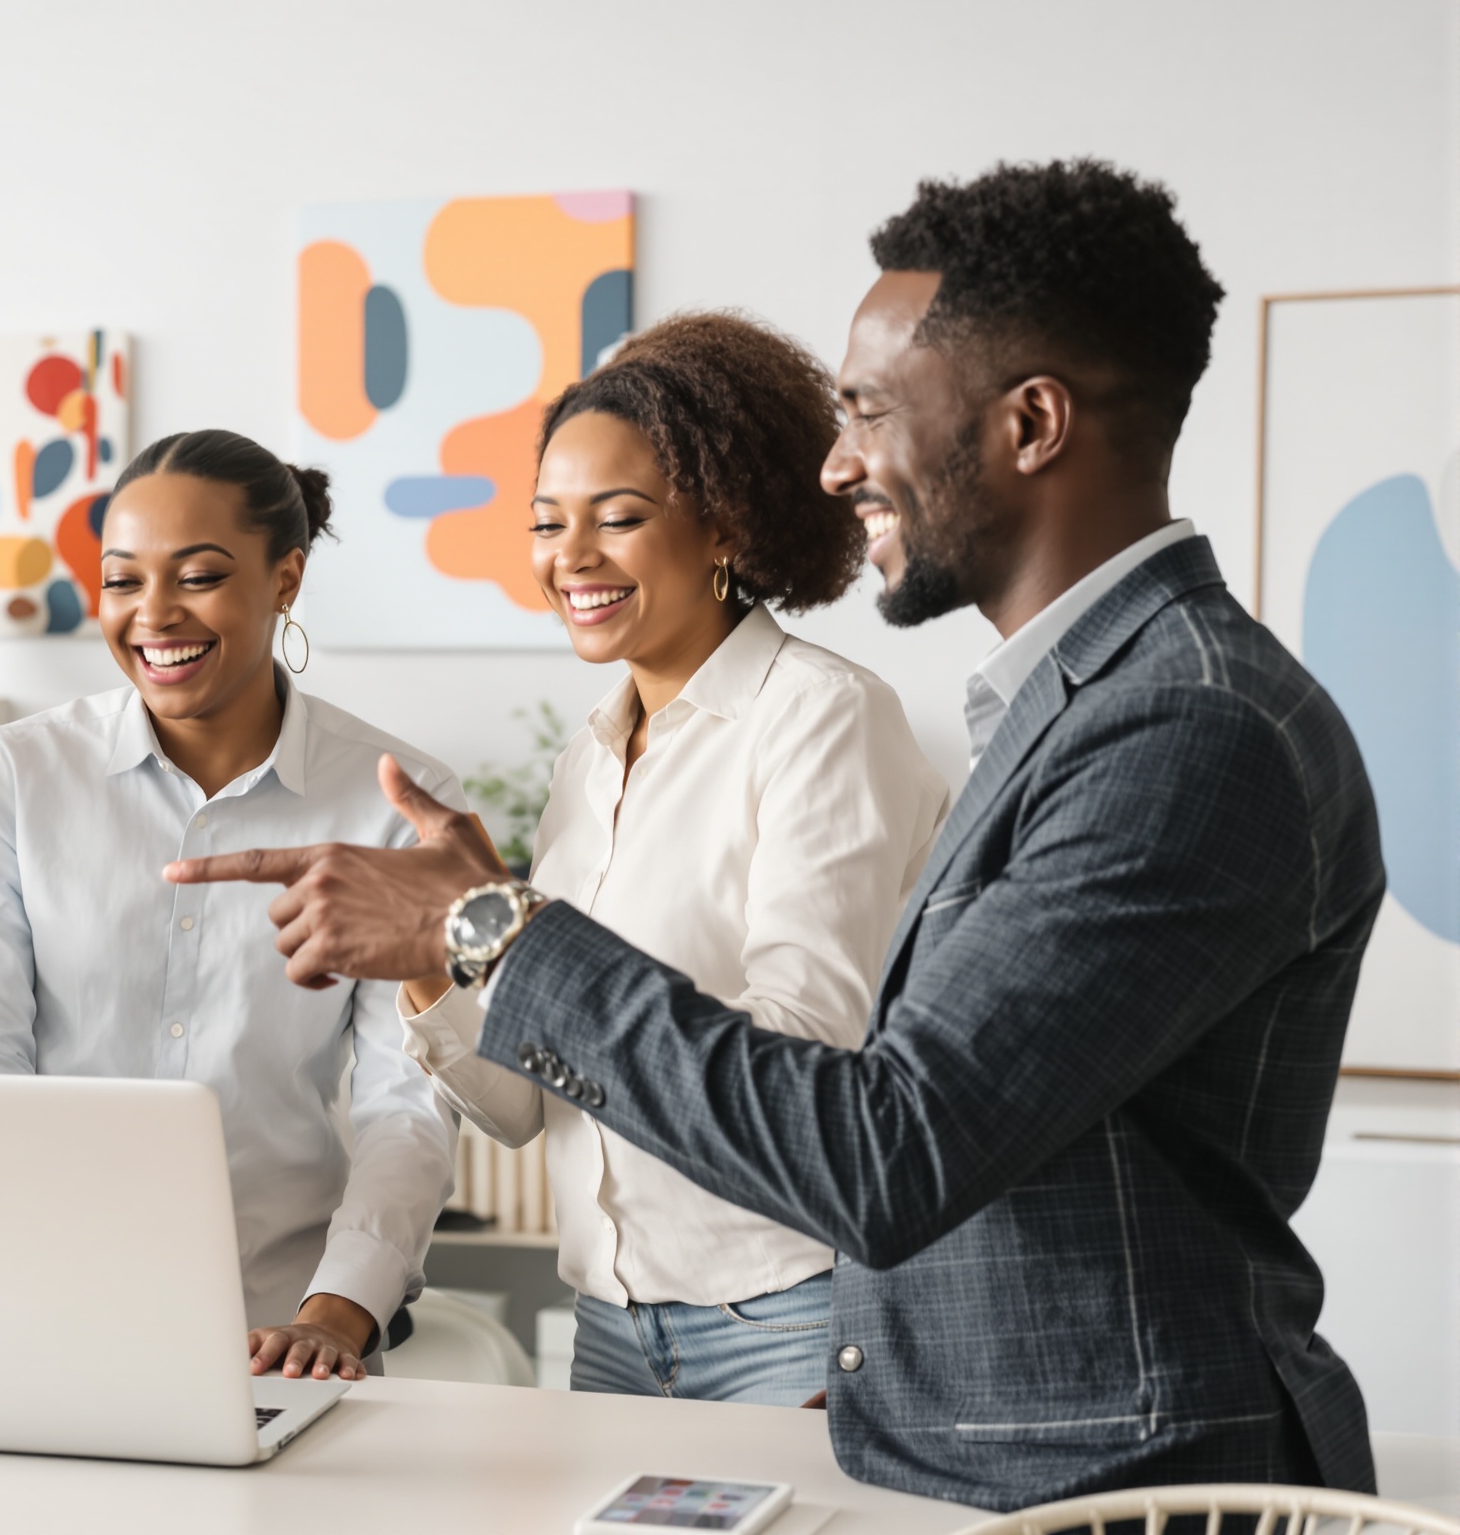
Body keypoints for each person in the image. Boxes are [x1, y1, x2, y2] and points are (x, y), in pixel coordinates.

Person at [168, 160, 1384, 1510]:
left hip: (1104, 1481)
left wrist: (491, 930)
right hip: (967, 1436)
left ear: (1032, 422)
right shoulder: (1071, 711)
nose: (838, 461)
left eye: (867, 410)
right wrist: (448, 959)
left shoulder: (1182, 733)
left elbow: (884, 1148)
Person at [401, 313, 948, 1405]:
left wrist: (508, 933)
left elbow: (809, 1055)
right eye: (548, 523)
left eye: (620, 518)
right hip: (606, 1326)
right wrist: (427, 954)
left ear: (724, 527)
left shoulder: (819, 718)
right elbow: (518, 1111)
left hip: (788, 1315)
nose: (572, 558)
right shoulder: (585, 763)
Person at [0, 429, 454, 1384]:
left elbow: (404, 1103)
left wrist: (335, 1315)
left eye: (198, 576)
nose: (154, 615)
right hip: (42, 1314)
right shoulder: (16, 774)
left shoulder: (393, 796)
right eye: (123, 581)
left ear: (284, 580)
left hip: (283, 1336)